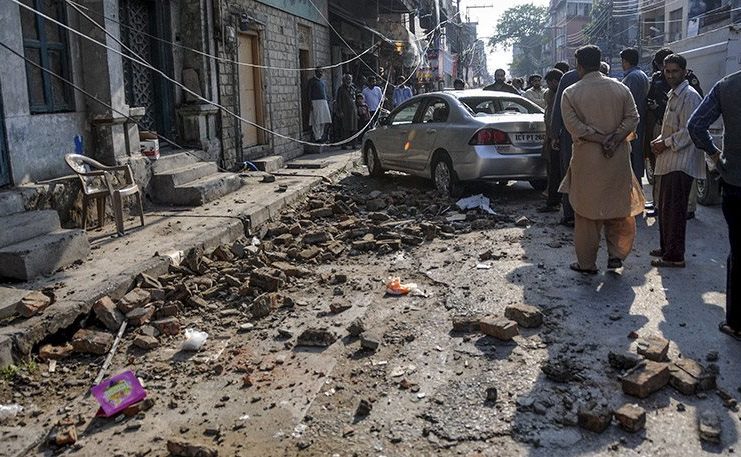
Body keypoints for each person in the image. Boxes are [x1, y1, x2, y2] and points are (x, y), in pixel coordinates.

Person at [559, 45, 643, 274]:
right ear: (600, 62)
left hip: (587, 160)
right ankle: (616, 255)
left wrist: (598, 138)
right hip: (617, 158)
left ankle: (586, 264)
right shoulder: (621, 88)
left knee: (587, 214)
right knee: (618, 208)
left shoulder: (571, 93)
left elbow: (574, 126)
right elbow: (633, 118)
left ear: (579, 65)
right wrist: (614, 139)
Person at [688, 69, 741, 340]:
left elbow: (696, 125)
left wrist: (716, 158)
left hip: (736, 183)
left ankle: (737, 323)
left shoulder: (727, 86)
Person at [649, 53, 704, 269]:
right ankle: (667, 248)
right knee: (665, 209)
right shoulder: (674, 94)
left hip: (682, 162)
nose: (670, 75)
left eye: (675, 71)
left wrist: (665, 143)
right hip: (670, 161)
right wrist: (659, 141)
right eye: (667, 71)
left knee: (674, 212)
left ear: (684, 72)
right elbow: (670, 128)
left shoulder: (689, 96)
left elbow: (689, 131)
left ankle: (674, 256)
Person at [551, 66, 581, 227]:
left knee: (569, 173)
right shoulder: (608, 81)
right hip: (598, 137)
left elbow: (558, 109)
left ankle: (570, 214)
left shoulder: (569, 78)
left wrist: (555, 134)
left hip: (570, 136)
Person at [620, 47, 650, 182]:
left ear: (626, 61)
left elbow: (628, 103)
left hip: (633, 123)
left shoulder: (631, 77)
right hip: (640, 120)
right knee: (637, 154)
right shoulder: (641, 74)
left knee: (633, 155)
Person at [538, 68, 564, 213]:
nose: (548, 86)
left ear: (554, 82)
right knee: (552, 170)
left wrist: (555, 136)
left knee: (556, 172)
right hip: (551, 138)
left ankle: (555, 201)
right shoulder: (551, 95)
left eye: (549, 83)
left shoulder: (562, 95)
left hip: (558, 140)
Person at [308, 69, 331, 142]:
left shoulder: (322, 81)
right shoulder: (312, 81)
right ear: (316, 72)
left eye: (322, 72)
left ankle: (321, 135)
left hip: (323, 101)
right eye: (319, 72)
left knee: (323, 120)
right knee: (316, 121)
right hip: (315, 101)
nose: (321, 73)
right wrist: (310, 103)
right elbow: (309, 92)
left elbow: (325, 92)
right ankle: (317, 137)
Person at [335, 74, 358, 149]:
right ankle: (344, 145)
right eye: (347, 79)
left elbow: (355, 99)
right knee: (345, 129)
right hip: (345, 111)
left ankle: (354, 144)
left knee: (354, 128)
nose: (349, 81)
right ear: (344, 80)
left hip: (353, 111)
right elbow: (338, 101)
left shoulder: (353, 88)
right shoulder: (341, 89)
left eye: (350, 79)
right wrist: (340, 111)